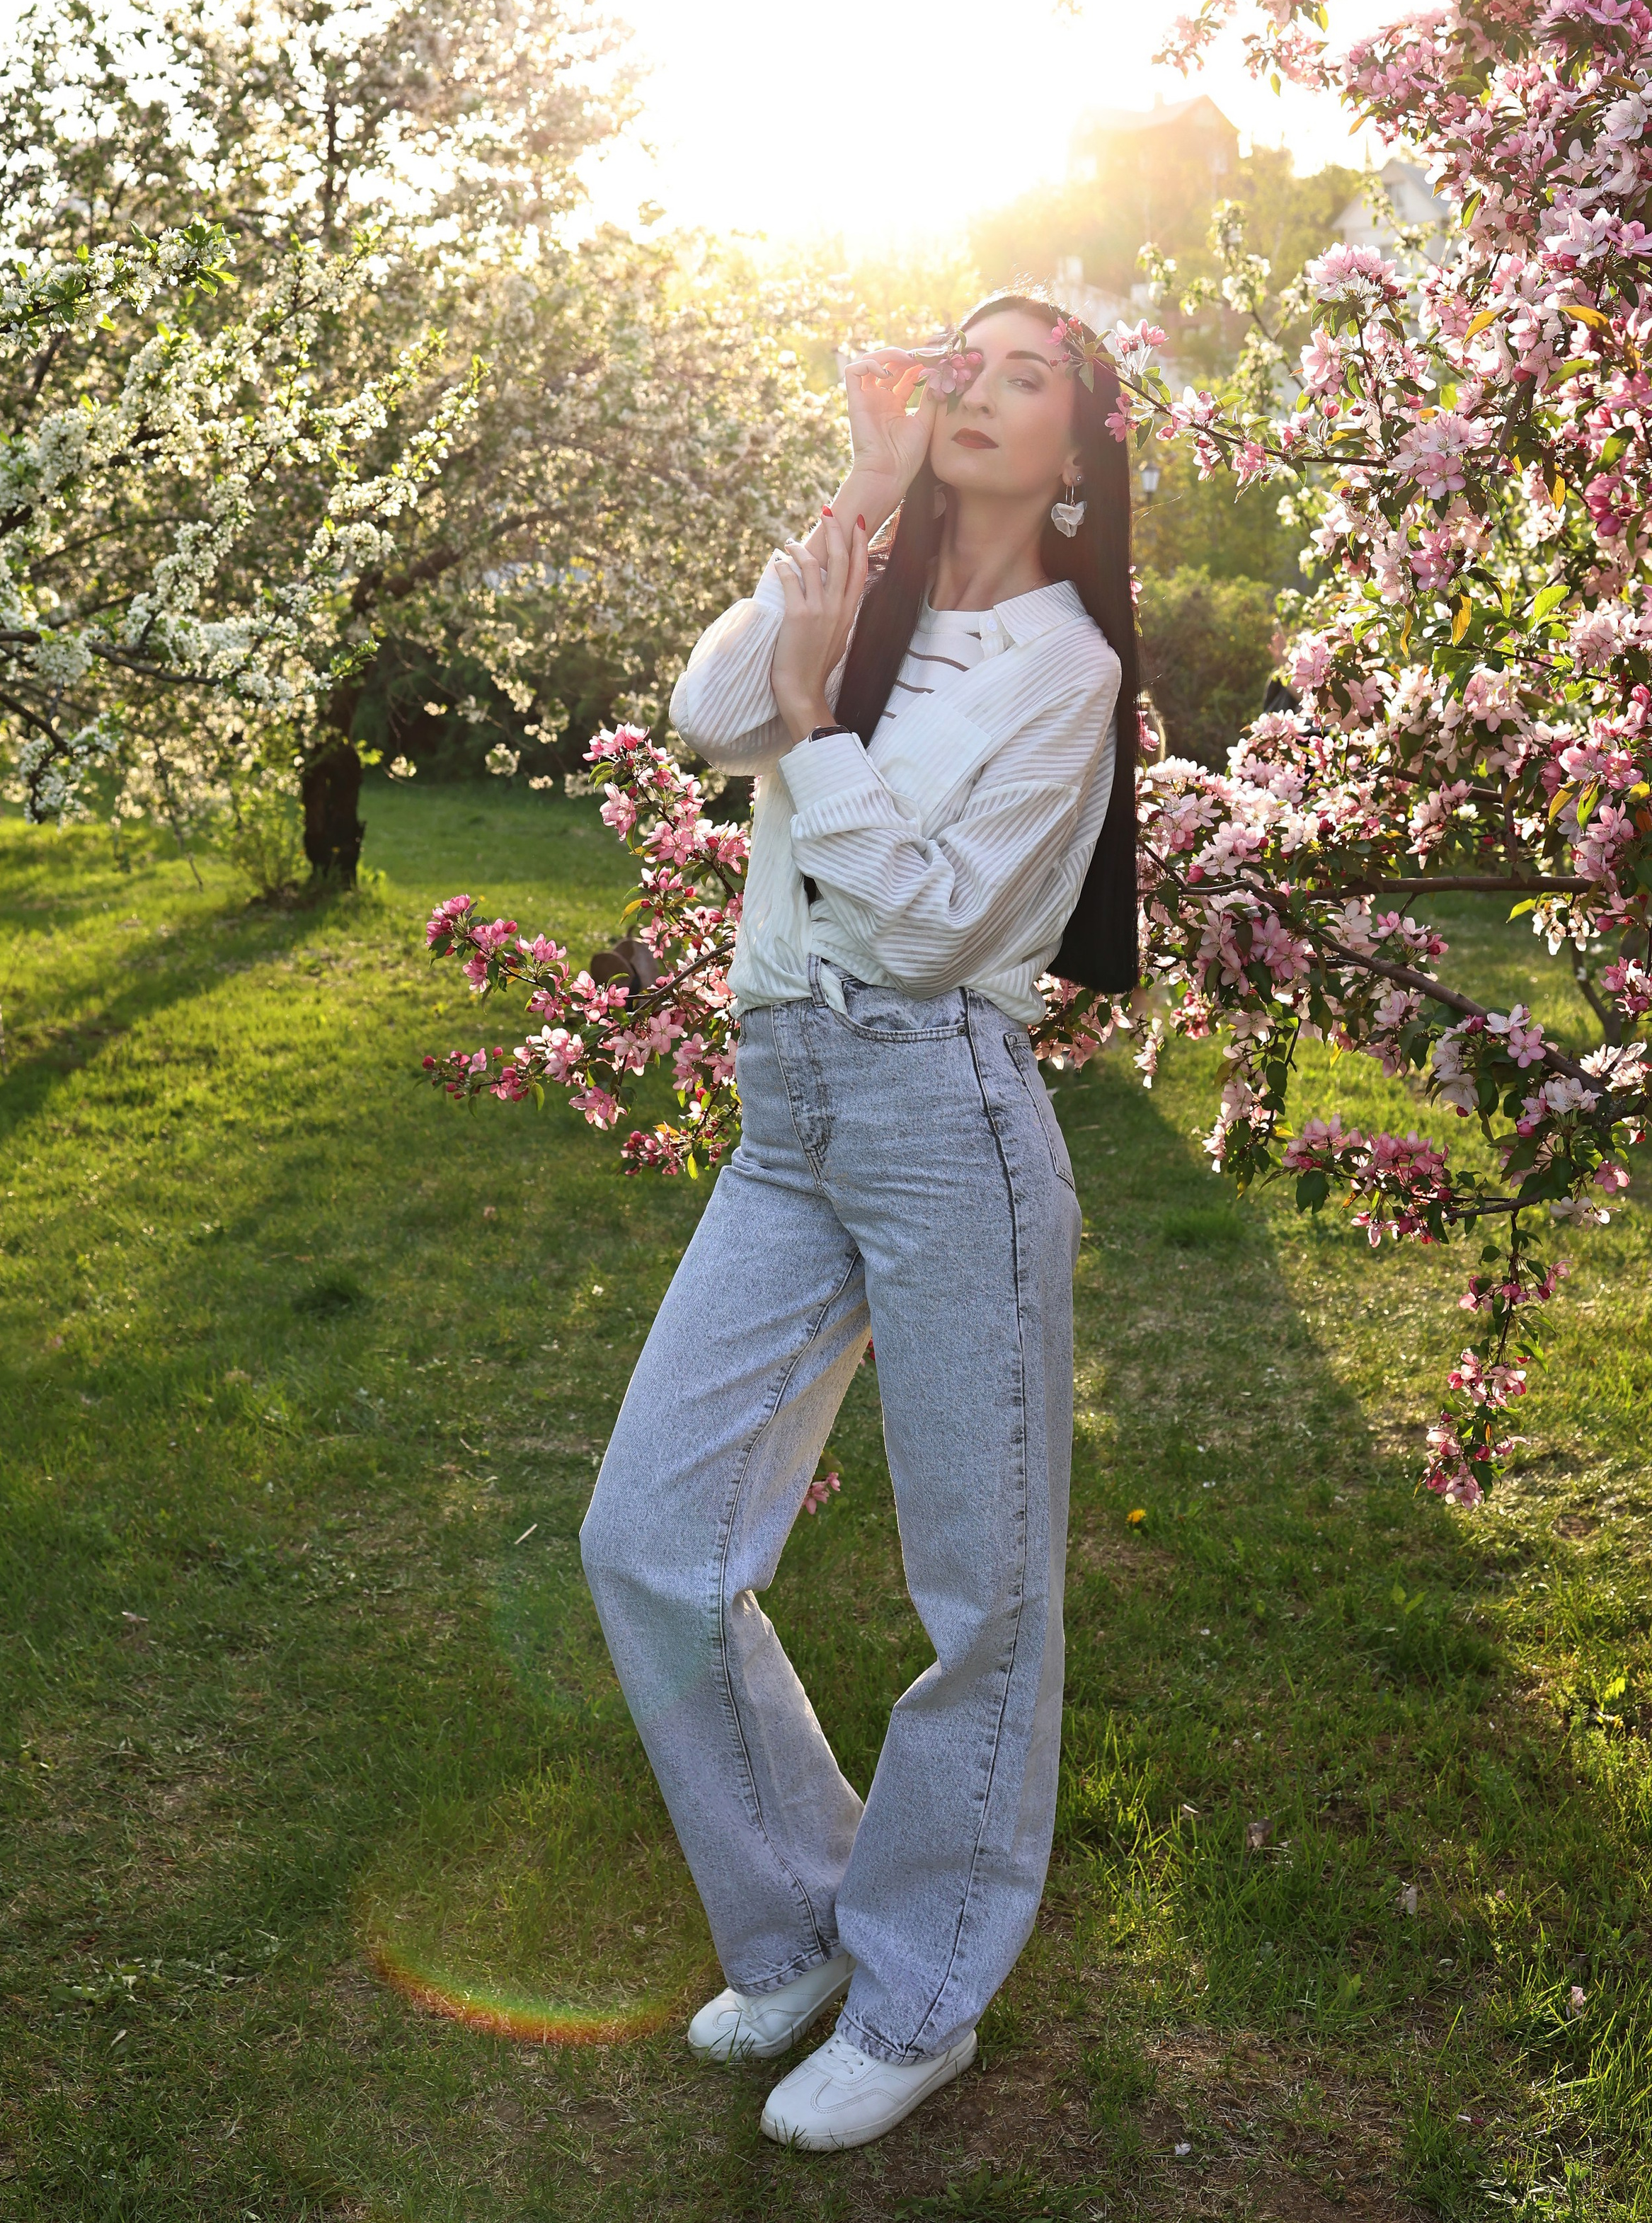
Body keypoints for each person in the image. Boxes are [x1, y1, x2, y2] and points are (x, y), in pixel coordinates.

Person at [580, 295, 1140, 2153]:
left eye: (1027, 372)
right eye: (959, 360)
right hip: (786, 1110)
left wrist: (823, 717)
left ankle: (922, 1997)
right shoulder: (865, 575)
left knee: (981, 1594)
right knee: (652, 1536)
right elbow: (706, 714)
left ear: (1080, 458)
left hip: (942, 1110)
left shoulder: (1068, 669)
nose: (979, 384)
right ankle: (808, 1925)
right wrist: (855, 493)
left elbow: (919, 922)